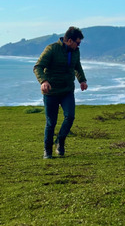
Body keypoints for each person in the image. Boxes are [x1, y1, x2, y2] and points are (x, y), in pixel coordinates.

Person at [33, 26, 88, 159]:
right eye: (78, 43)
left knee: (70, 117)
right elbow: (38, 67)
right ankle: (47, 151)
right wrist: (43, 81)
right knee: (51, 123)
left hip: (67, 91)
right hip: (51, 92)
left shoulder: (76, 51)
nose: (78, 45)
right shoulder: (52, 49)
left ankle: (60, 141)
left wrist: (82, 80)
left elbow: (77, 66)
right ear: (69, 40)